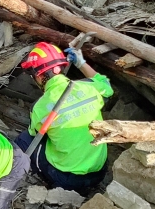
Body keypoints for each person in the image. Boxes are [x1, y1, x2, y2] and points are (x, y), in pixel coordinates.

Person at [15, 42, 113, 192]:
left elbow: (35, 135)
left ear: (39, 76)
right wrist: (81, 64)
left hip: (67, 179)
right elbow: (106, 84)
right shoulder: (89, 87)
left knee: (23, 140)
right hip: (99, 172)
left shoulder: (40, 107)